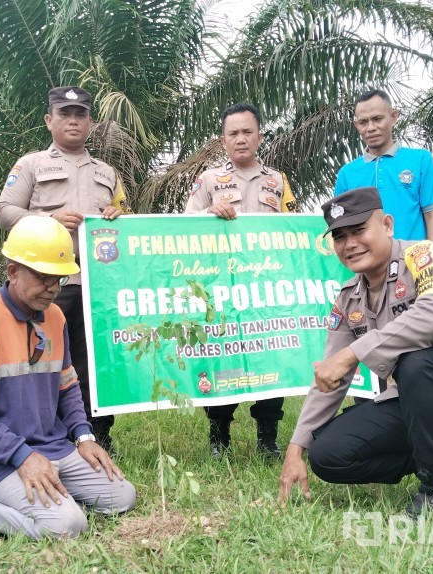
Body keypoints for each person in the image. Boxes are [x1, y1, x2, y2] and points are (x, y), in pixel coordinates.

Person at [277, 187, 433, 516]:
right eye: (339, 236)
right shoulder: (349, 299)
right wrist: (296, 450)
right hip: (421, 402)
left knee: (419, 357)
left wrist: (351, 354)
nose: (350, 244)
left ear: (388, 225)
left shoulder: (428, 256)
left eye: (359, 230)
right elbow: (330, 378)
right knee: (329, 454)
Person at [0, 216, 136, 539]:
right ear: (12, 272)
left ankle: (49, 488)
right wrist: (23, 457)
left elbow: (67, 386)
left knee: (122, 497)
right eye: (43, 278)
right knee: (68, 525)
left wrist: (84, 437)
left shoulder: (55, 316)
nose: (52, 289)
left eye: (59, 280)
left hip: (52, 448)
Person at [0, 86, 131, 452]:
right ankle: (46, 431)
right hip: (51, 283)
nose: (73, 120)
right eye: (65, 113)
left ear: (90, 122)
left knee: (95, 364)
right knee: (45, 357)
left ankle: (98, 434)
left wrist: (119, 217)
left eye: (80, 114)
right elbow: (5, 211)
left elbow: (124, 218)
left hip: (98, 284)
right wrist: (47, 219)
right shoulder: (31, 164)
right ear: (49, 120)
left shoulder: (107, 172)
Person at [184, 102, 299, 460]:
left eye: (247, 131)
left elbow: (294, 232)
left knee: (269, 360)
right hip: (222, 289)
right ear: (223, 139)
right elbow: (182, 227)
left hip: (265, 291)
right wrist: (208, 213)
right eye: (233, 133)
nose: (241, 139)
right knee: (225, 359)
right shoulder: (207, 181)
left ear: (259, 135)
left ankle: (268, 438)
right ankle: (219, 436)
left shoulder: (277, 181)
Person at [334, 89, 433, 241]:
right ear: (356, 125)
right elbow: (342, 229)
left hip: (413, 261)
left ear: (393, 117)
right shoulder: (347, 174)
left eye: (377, 119)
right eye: (363, 122)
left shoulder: (420, 160)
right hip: (367, 263)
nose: (371, 128)